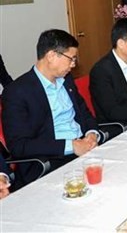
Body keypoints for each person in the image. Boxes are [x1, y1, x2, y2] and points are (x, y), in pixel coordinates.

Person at [2, 29, 99, 189]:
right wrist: (71, 146)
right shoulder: (17, 92)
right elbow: (19, 146)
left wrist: (91, 134)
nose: (73, 65)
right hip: (51, 161)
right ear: (52, 56)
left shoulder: (66, 80)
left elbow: (84, 113)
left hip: (84, 149)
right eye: (71, 59)